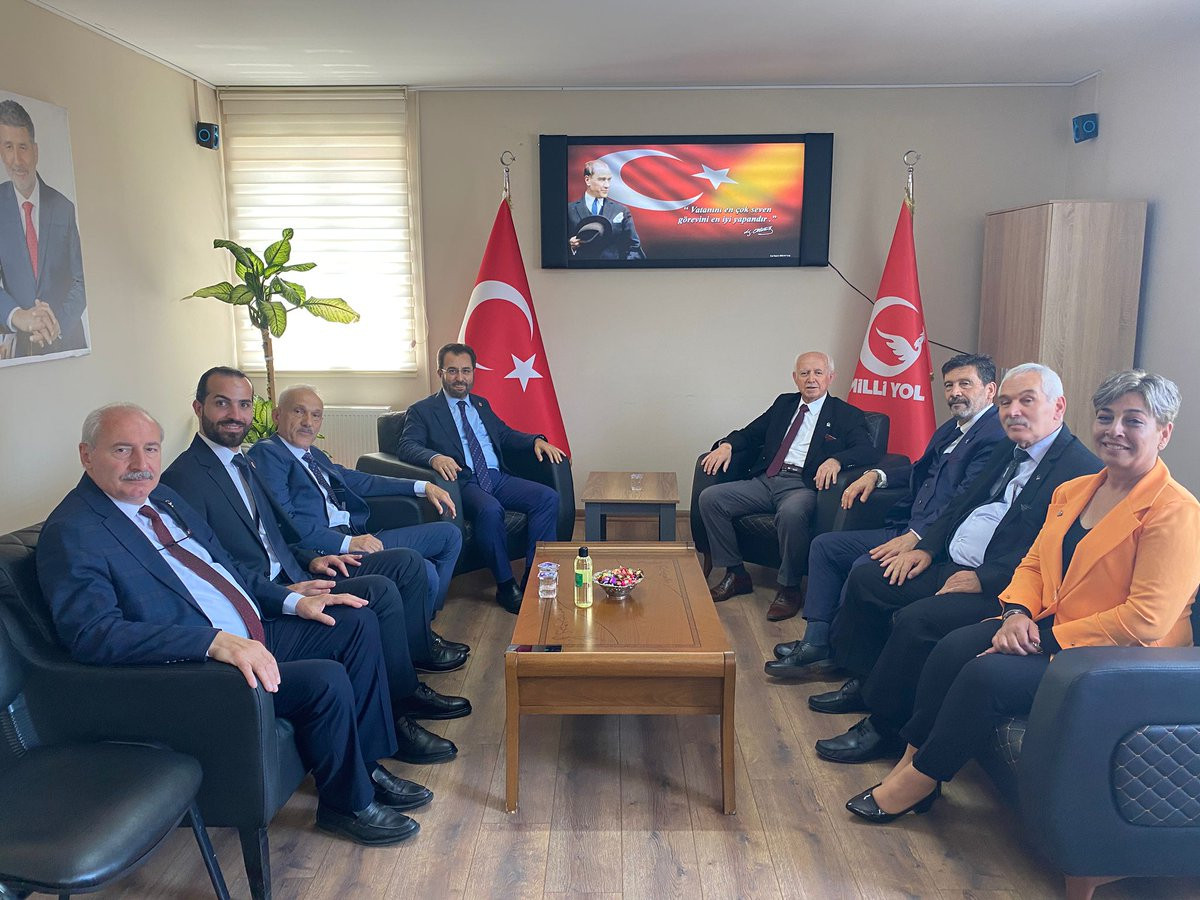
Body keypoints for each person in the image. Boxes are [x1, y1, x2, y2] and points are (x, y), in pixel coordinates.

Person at [37, 403, 433, 845]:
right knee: (326, 679)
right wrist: (211, 642)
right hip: (200, 668)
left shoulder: (164, 499)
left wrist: (292, 600)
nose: (140, 463)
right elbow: (94, 635)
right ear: (86, 455)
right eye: (121, 450)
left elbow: (228, 567)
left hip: (252, 631)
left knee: (354, 621)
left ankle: (365, 766)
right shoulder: (74, 530)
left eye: (150, 448)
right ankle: (346, 804)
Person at [846, 370, 1200, 823]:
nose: (1114, 430)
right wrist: (1015, 612)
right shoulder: (1075, 491)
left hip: (1121, 658)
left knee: (986, 675)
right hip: (1048, 625)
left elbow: (1146, 620)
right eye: (1106, 417)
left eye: (1133, 421)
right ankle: (911, 759)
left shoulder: (1175, 512)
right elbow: (1033, 564)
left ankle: (920, 779)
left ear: (1163, 433)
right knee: (952, 647)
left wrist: (1039, 639)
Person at [160, 366, 471, 748]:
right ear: (199, 407)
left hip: (300, 567)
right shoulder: (194, 477)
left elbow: (272, 530)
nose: (235, 414)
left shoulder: (245, 462)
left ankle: (407, 685)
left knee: (405, 568)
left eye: (243, 405)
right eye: (222, 403)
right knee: (390, 582)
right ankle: (401, 704)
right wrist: (301, 576)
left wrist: (308, 559)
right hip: (271, 590)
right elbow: (212, 562)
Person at [812, 363, 1101, 765]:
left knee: (918, 620)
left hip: (1003, 590)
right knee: (869, 579)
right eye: (1006, 403)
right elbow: (959, 503)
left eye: (1026, 401)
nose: (1013, 411)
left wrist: (983, 578)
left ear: (1058, 407)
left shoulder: (1081, 471)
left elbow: (1051, 553)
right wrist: (926, 548)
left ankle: (884, 727)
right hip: (951, 561)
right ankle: (867, 683)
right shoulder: (1008, 448)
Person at [765, 353, 1005, 668]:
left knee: (863, 567)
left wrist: (918, 537)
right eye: (949, 385)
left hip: (935, 542)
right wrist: (876, 475)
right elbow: (919, 471)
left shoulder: (995, 436)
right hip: (905, 526)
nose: (955, 392)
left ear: (990, 390)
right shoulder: (951, 429)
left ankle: (842, 653)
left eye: (965, 384)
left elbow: (964, 501)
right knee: (824, 546)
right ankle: (816, 641)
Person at [248, 384, 463, 617]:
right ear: (277, 415)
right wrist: (347, 543)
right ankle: (422, 629)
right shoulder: (269, 453)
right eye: (299, 411)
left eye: (316, 415)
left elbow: (360, 480)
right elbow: (283, 522)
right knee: (425, 570)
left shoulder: (312, 454)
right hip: (326, 551)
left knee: (449, 535)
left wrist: (422, 486)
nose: (308, 422)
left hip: (352, 535)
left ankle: (426, 618)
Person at [697, 351, 880, 619]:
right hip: (767, 479)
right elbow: (751, 433)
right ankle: (736, 574)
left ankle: (790, 587)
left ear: (830, 377)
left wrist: (836, 460)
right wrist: (726, 445)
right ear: (795, 378)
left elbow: (867, 451)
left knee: (792, 513)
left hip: (802, 486)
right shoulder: (784, 404)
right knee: (711, 498)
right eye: (804, 373)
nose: (811, 379)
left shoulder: (845, 414)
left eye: (818, 373)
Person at [396, 343, 566, 614]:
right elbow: (407, 446)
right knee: (490, 510)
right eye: (452, 371)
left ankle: (535, 578)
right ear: (440, 373)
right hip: (463, 482)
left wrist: (536, 440)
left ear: (473, 372)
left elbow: (504, 434)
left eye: (466, 371)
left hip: (496, 477)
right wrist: (434, 457)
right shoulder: (423, 410)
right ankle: (506, 585)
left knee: (547, 498)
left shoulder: (480, 404)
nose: (460, 378)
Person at [0, 99, 86, 357]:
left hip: (68, 341)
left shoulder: (64, 207)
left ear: (35, 151)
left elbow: (81, 280)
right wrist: (18, 315)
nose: (17, 160)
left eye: (23, 147)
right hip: (18, 349)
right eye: (8, 147)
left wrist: (58, 323)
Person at [566, 159, 645, 260]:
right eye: (602, 179)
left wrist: (622, 267)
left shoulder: (621, 211)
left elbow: (634, 248)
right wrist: (570, 247)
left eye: (609, 179)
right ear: (587, 180)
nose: (607, 185)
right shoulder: (569, 210)